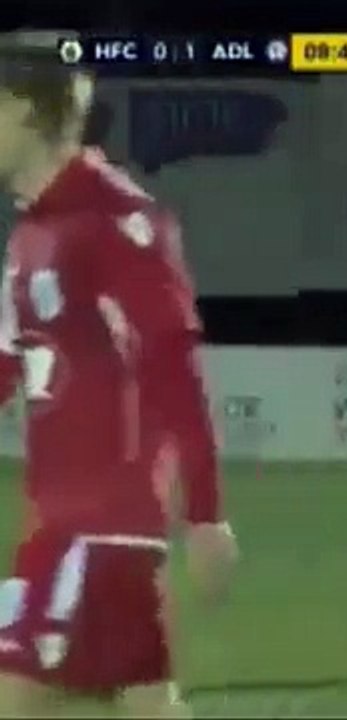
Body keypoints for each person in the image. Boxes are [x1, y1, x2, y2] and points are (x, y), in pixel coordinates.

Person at [0, 32, 237, 716]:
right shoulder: (30, 233)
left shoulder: (115, 218)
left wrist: (205, 514)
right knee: (148, 705)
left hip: (100, 527)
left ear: (23, 110)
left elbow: (171, 361)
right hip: (71, 524)